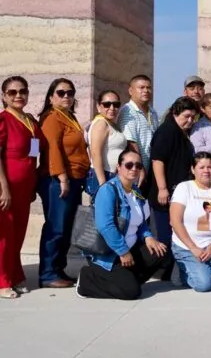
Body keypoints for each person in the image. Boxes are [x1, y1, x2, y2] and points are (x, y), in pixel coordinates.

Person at [75, 150, 169, 300]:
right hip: (109, 254)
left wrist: (148, 237)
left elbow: (141, 222)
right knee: (131, 292)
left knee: (161, 252)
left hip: (129, 249)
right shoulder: (108, 190)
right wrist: (123, 251)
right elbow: (105, 225)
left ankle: (125, 279)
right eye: (129, 165)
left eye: (138, 166)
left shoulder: (135, 191)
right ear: (119, 167)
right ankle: (87, 281)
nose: (134, 169)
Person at [38, 78, 89, 288]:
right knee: (56, 227)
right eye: (61, 93)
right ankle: (48, 274)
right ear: (51, 97)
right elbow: (52, 149)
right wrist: (62, 178)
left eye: (70, 92)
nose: (66, 96)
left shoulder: (68, 117)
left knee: (67, 228)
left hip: (74, 179)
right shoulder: (52, 118)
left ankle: (58, 269)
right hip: (58, 180)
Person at [0, 76, 45, 298]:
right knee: (5, 236)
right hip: (5, 189)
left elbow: (34, 152)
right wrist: (4, 188)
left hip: (25, 188)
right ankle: (3, 282)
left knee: (18, 235)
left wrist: (33, 182)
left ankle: (15, 275)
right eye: (12, 92)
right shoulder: (3, 120)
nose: (18, 95)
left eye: (22, 91)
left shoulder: (30, 121)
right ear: (4, 96)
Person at [170, 152, 211, 292]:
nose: (206, 171)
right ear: (193, 169)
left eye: (210, 167)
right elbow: (175, 221)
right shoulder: (184, 188)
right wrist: (193, 248)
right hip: (187, 246)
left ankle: (201, 268)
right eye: (202, 167)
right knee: (204, 285)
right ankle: (183, 271)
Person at [147, 97, 198, 250]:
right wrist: (162, 188)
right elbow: (157, 160)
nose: (190, 121)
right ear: (175, 113)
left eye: (192, 117)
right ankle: (161, 272)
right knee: (165, 239)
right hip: (165, 194)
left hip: (177, 192)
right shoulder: (167, 131)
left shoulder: (181, 132)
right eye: (186, 116)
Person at [86, 90, 127, 196]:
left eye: (116, 104)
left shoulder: (111, 124)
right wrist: (102, 183)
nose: (112, 108)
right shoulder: (101, 124)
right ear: (99, 107)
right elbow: (95, 153)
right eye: (107, 104)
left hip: (114, 176)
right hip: (105, 175)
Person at [118, 74, 159, 173]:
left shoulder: (153, 112)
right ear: (131, 91)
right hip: (135, 169)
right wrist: (139, 167)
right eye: (141, 87)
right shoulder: (128, 111)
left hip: (150, 169)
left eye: (148, 88)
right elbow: (131, 142)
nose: (146, 91)